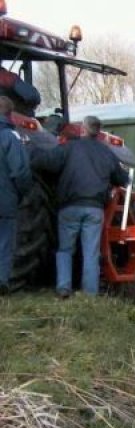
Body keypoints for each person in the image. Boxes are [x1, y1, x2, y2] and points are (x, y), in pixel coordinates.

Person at [32, 115, 128, 298]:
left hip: (70, 208)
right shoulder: (106, 152)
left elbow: (46, 162)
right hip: (94, 210)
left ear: (83, 129)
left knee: (65, 249)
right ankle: (90, 294)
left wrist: (33, 149)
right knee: (91, 252)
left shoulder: (69, 147)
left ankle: (63, 288)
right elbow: (122, 178)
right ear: (98, 132)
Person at [0, 96, 32, 294]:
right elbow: (20, 171)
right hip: (5, 201)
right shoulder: (10, 137)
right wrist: (22, 194)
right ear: (10, 114)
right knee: (4, 242)